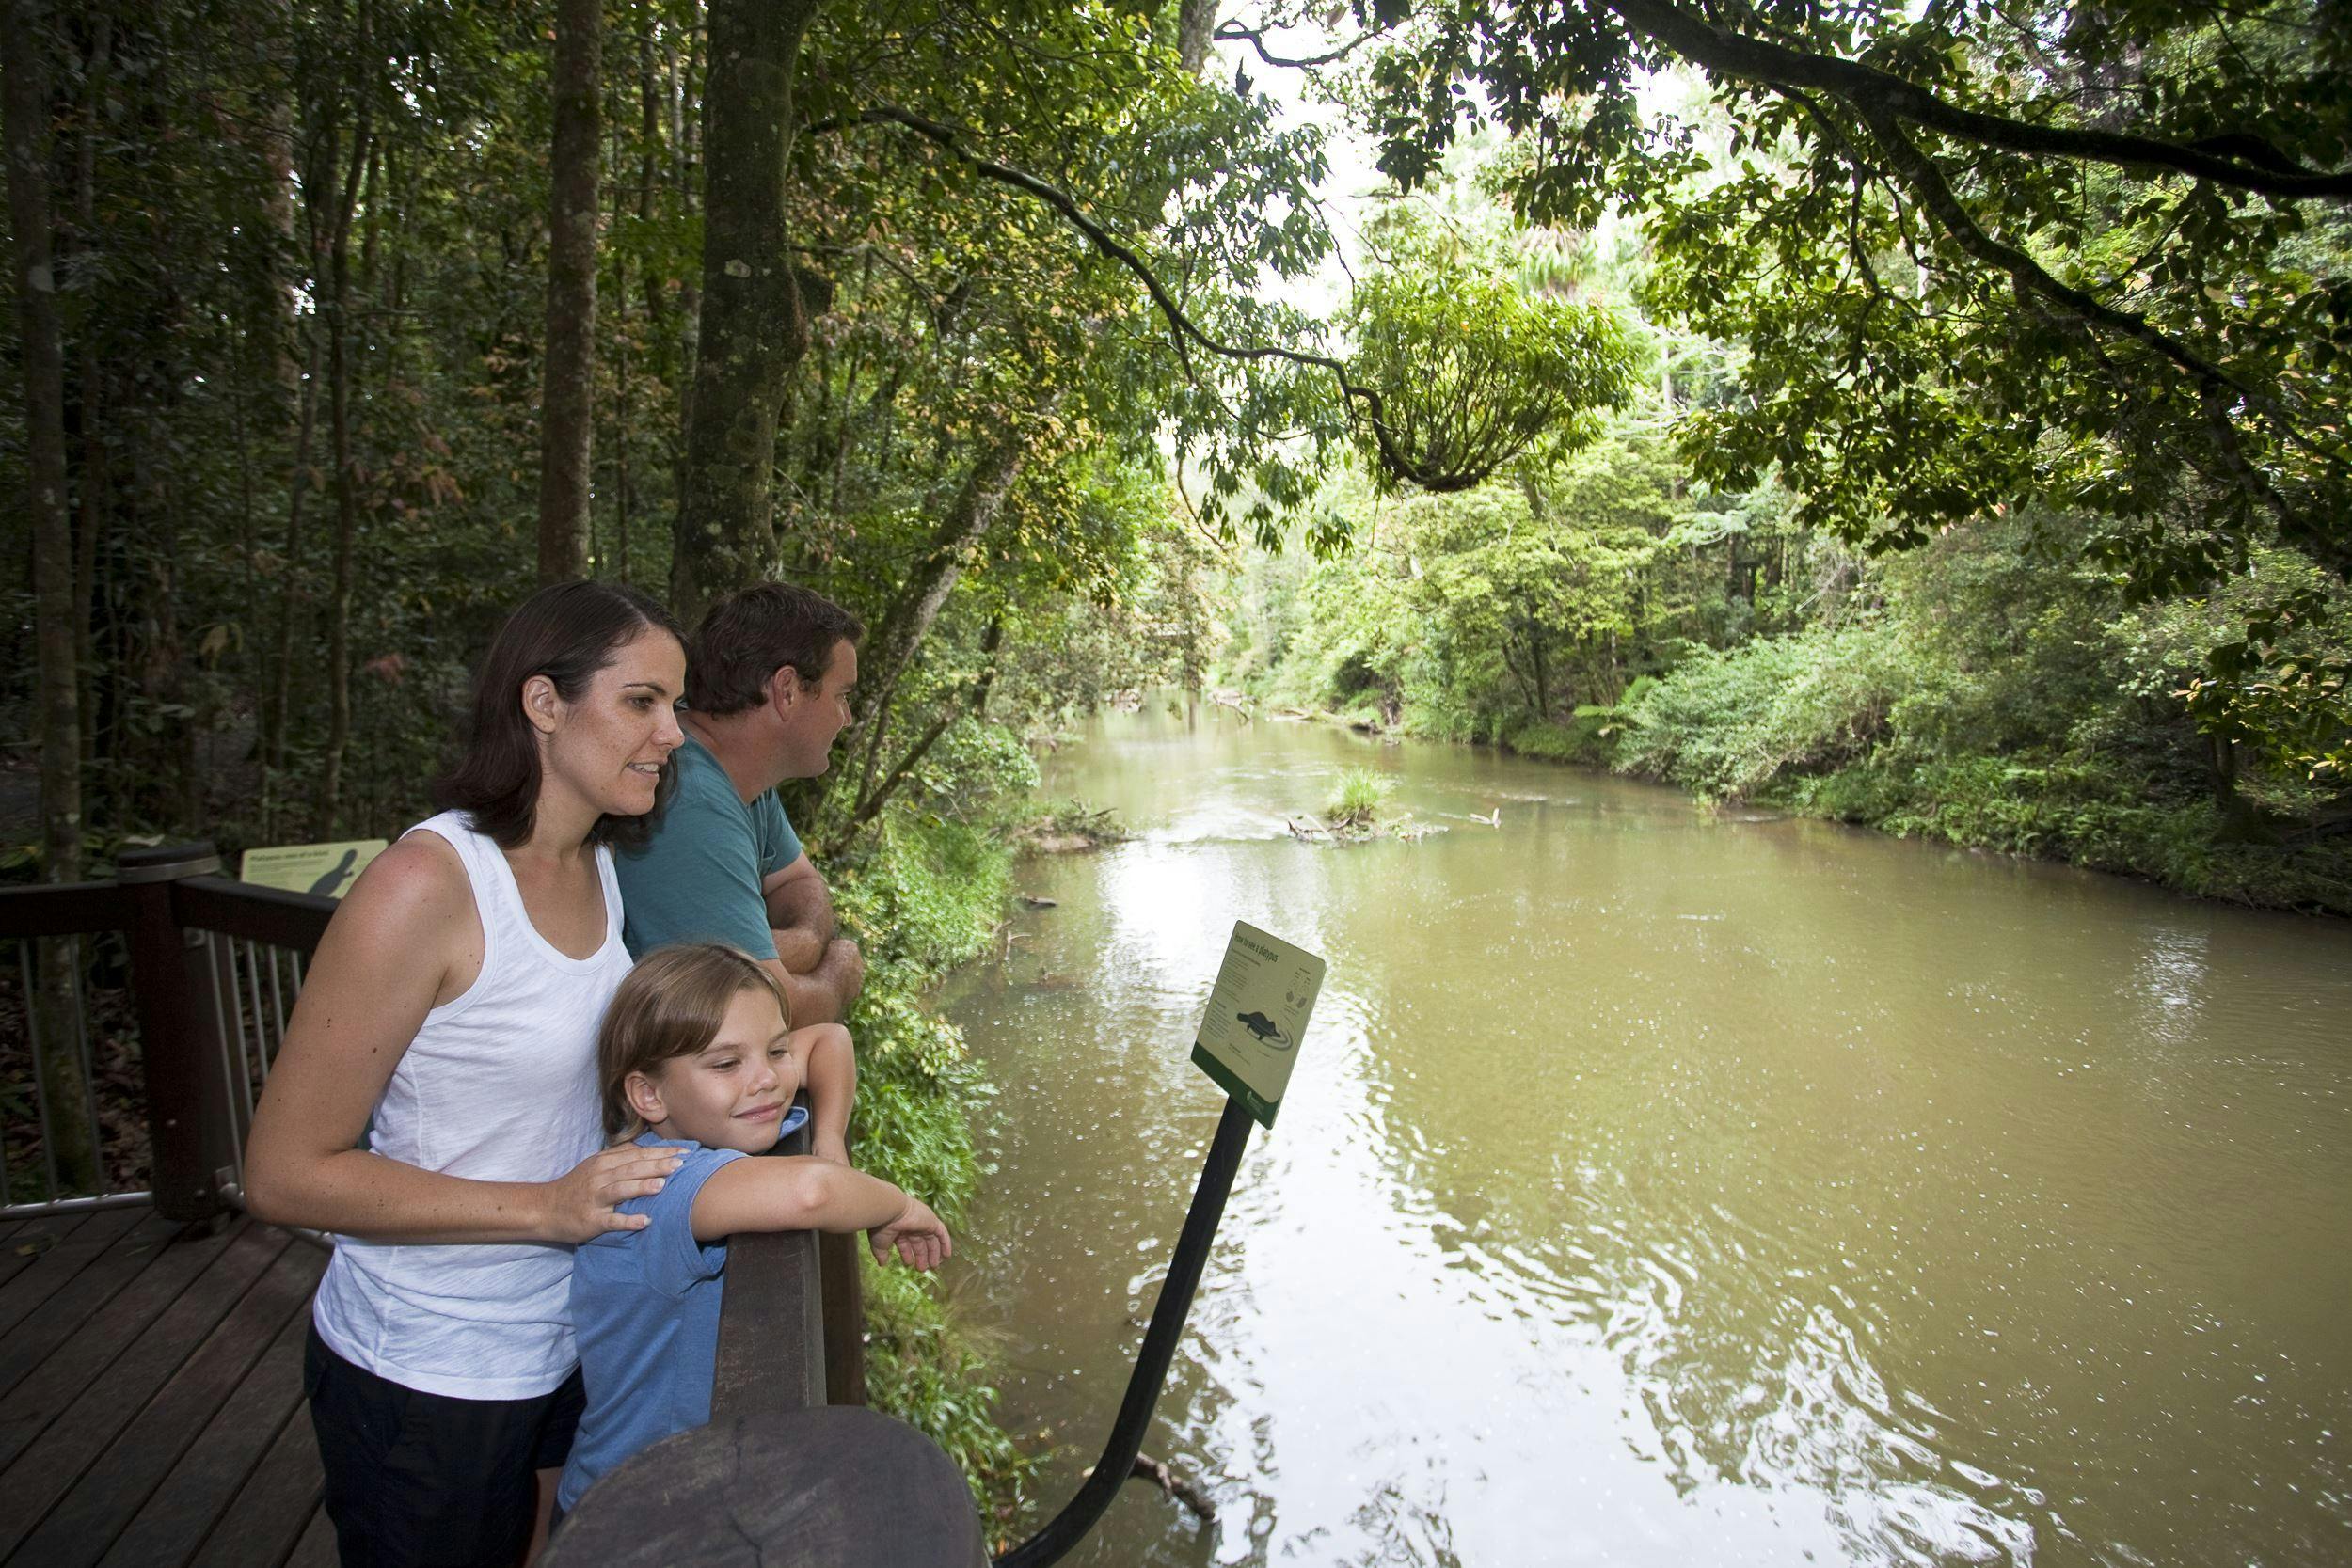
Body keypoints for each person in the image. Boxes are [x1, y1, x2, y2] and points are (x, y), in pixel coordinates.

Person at [244, 581, 692, 1568]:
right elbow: (281, 1173)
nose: (673, 732)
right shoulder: (427, 885)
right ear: (542, 702)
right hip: (426, 1370)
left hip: (559, 1337)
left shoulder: (594, 866)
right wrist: (545, 1206)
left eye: (675, 704)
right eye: (642, 700)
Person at [553, 942, 950, 1523]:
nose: (766, 1080)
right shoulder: (655, 1183)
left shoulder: (694, 1132)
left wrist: (829, 1139)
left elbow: (828, 1038)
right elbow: (811, 1192)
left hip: (671, 1495)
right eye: (725, 1064)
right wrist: (898, 1205)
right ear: (649, 1095)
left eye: (775, 1051)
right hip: (634, 1517)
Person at [612, 582, 866, 1165]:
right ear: (786, 691)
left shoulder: (743, 781)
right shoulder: (689, 798)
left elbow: (801, 887)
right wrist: (838, 971)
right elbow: (769, 1009)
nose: (846, 717)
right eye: (841, 695)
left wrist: (795, 945)